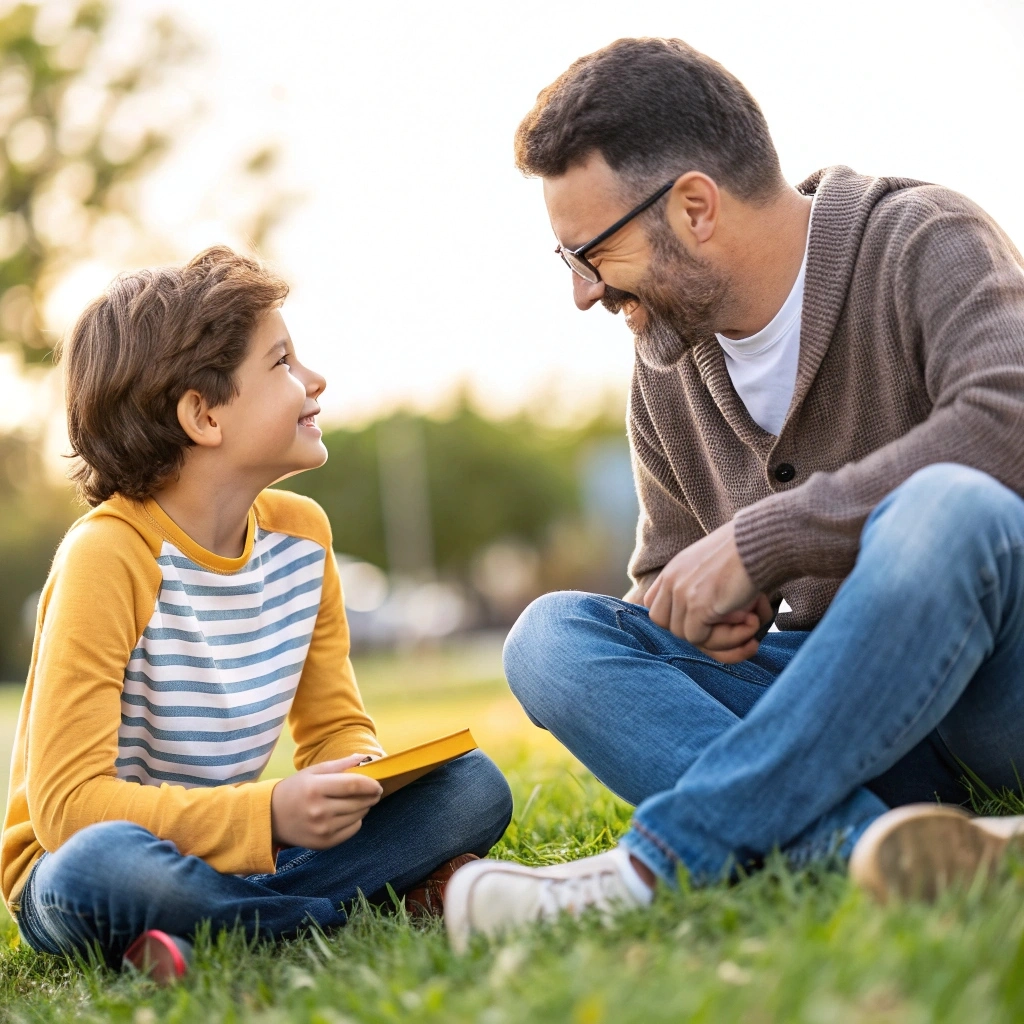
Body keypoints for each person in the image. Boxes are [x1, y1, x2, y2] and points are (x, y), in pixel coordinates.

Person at [442, 37, 1024, 952]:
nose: (584, 295)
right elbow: (667, 577)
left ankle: (657, 863)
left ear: (695, 206)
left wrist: (766, 541)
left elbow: (1007, 426)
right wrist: (695, 614)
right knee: (549, 640)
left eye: (590, 254)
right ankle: (877, 846)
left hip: (999, 691)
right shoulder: (665, 363)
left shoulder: (923, 237)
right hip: (843, 721)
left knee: (949, 508)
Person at [1, 247, 512, 980]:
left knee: (471, 787)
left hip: (229, 853)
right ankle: (308, 914)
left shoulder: (302, 538)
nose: (315, 380)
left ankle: (215, 924)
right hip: (75, 869)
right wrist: (267, 816)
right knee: (107, 867)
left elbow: (334, 726)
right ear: (202, 415)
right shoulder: (107, 557)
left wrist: (360, 776)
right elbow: (69, 809)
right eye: (282, 363)